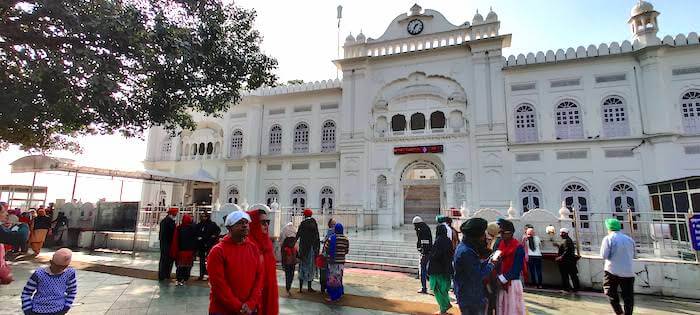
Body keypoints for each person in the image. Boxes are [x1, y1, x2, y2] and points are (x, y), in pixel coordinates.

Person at [207, 211, 263, 315]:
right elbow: (218, 285)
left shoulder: (253, 248)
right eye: (239, 223)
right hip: (223, 310)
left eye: (246, 223)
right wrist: (238, 307)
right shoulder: (218, 251)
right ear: (229, 228)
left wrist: (251, 303)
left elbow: (259, 278)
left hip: (249, 309)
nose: (244, 225)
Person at [454, 218, 498, 315]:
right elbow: (478, 276)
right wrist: (491, 265)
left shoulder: (465, 247)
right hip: (470, 297)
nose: (484, 238)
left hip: (469, 294)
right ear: (476, 236)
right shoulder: (466, 252)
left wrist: (487, 261)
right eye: (482, 235)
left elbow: (474, 267)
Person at [21, 248, 77, 315]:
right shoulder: (39, 274)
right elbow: (26, 292)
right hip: (38, 310)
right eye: (57, 266)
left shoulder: (69, 273)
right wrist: (27, 309)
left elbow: (72, 291)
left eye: (63, 267)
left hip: (59, 310)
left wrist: (67, 306)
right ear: (51, 262)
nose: (59, 269)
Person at [246, 208, 278, 315]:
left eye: (267, 222)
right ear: (253, 224)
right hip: (252, 297)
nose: (266, 225)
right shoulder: (248, 245)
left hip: (267, 292)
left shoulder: (267, 244)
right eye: (263, 222)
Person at [600, 218, 636, 315]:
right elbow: (634, 255)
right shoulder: (629, 239)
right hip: (628, 272)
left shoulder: (608, 238)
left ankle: (619, 312)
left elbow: (604, 255)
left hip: (612, 271)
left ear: (609, 228)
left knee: (610, 292)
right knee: (628, 296)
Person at [495, 219, 526, 315]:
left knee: (512, 309)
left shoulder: (518, 247)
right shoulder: (500, 244)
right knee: (502, 307)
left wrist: (501, 279)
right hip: (500, 282)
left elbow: (516, 269)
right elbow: (495, 260)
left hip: (512, 283)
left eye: (503, 233)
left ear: (510, 233)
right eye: (501, 233)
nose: (501, 235)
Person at [428, 224, 454, 314]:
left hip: (437, 270)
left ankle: (444, 307)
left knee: (437, 289)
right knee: (444, 289)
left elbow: (435, 256)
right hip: (446, 269)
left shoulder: (438, 241)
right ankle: (445, 305)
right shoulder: (448, 241)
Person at [323, 223, 349, 302]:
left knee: (332, 279)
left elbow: (326, 249)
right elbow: (346, 250)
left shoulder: (331, 238)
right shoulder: (345, 239)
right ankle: (339, 294)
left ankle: (333, 296)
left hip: (332, 262)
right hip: (341, 262)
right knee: (339, 278)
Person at [296, 209, 320, 293]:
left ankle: (300, 288)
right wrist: (317, 249)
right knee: (311, 268)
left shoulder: (302, 224)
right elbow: (317, 237)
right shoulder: (314, 223)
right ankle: (309, 287)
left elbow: (298, 235)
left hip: (303, 249)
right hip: (312, 249)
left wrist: (293, 244)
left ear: (304, 215)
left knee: (302, 267)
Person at [170, 214, 196, 286]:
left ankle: (179, 279)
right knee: (188, 266)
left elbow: (175, 240)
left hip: (181, 251)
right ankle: (185, 279)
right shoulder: (193, 228)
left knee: (180, 266)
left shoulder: (179, 228)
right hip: (190, 251)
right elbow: (195, 239)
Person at [195, 212, 220, 281]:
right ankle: (201, 275)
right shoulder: (199, 225)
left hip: (209, 244)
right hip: (201, 245)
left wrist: (212, 237)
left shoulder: (212, 224)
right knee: (202, 261)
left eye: (205, 216)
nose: (203, 218)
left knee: (209, 261)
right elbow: (196, 232)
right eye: (202, 216)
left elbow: (217, 231)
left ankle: (208, 275)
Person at [556, 228, 580, 293]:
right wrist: (558, 246)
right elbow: (564, 248)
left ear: (565, 233)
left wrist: (560, 257)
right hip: (568, 261)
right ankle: (573, 288)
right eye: (560, 232)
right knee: (570, 275)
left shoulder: (567, 240)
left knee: (567, 275)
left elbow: (567, 251)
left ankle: (567, 289)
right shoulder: (565, 240)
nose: (561, 234)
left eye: (562, 233)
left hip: (567, 261)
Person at [412, 216, 432, 294]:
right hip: (427, 252)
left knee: (423, 270)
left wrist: (423, 251)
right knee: (426, 270)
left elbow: (425, 242)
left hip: (425, 253)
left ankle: (424, 288)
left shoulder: (422, 229)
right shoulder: (424, 228)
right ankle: (430, 287)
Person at [158, 208, 178, 281]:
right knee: (166, 260)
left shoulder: (165, 221)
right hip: (167, 243)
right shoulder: (168, 222)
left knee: (165, 259)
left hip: (165, 243)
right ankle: (164, 275)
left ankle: (164, 275)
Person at [280, 222, 298, 296]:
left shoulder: (284, 231)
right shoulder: (294, 231)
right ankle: (289, 285)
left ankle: (288, 287)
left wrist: (283, 263)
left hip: (287, 259)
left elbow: (281, 241)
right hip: (292, 260)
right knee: (291, 273)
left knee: (287, 274)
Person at [319, 218, 336, 295]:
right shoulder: (333, 231)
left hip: (327, 252)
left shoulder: (330, 231)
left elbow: (326, 239)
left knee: (325, 270)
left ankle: (324, 286)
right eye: (333, 223)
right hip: (331, 254)